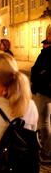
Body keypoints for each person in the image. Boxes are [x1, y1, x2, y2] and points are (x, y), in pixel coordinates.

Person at [31, 25, 51, 164]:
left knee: (44, 122)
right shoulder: (45, 53)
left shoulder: (48, 54)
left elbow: (43, 71)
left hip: (45, 91)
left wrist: (38, 78)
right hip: (43, 89)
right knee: (46, 121)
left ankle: (47, 152)